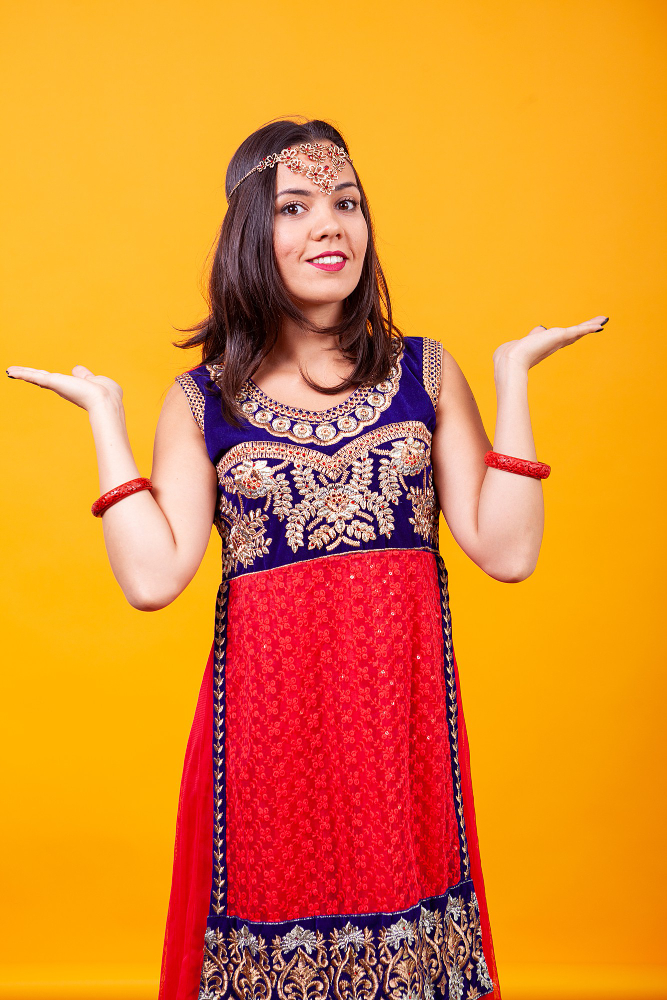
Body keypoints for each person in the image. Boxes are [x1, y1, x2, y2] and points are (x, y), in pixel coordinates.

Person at [6, 117, 607, 1000]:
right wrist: (106, 422)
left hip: (398, 747)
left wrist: (512, 376)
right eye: (295, 207)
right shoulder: (202, 401)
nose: (330, 226)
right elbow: (152, 578)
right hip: (265, 747)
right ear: (252, 234)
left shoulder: (423, 373)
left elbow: (508, 550)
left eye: (346, 203)